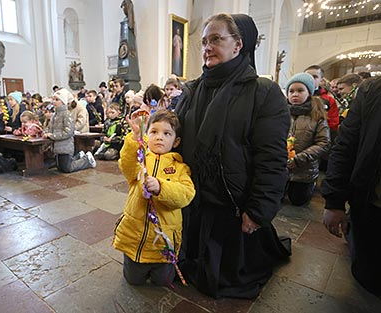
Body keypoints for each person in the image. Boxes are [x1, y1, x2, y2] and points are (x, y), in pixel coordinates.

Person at [176, 13, 291, 299]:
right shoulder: (192, 90)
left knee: (228, 281)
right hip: (194, 204)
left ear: (238, 45)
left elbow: (271, 160)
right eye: (204, 41)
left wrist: (258, 211)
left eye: (216, 39)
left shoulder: (262, 92)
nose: (207, 47)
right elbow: (176, 139)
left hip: (232, 210)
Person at [113, 109, 195, 286]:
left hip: (162, 242)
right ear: (147, 135)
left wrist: (161, 187)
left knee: (163, 282)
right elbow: (126, 164)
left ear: (176, 141)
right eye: (154, 132)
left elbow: (186, 194)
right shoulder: (140, 161)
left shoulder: (180, 168)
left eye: (167, 133)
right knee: (133, 280)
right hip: (135, 239)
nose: (159, 137)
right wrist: (134, 138)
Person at [321, 76, 381, 296]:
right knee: (368, 282)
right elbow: (346, 147)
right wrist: (334, 201)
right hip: (372, 209)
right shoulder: (373, 91)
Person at [286, 73, 330, 205]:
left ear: (309, 93)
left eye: (300, 90)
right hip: (281, 169)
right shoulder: (281, 112)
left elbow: (324, 143)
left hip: (304, 172)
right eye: (291, 91)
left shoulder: (316, 116)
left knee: (298, 202)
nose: (295, 94)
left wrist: (299, 159)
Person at [44, 88, 96, 172]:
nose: (54, 102)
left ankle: (87, 159)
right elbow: (49, 128)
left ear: (63, 102)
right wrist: (45, 132)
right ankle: (79, 156)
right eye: (53, 99)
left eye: (57, 100)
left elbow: (68, 132)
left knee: (67, 168)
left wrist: (52, 136)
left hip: (65, 146)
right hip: (56, 146)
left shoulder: (67, 115)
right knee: (60, 167)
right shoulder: (54, 115)